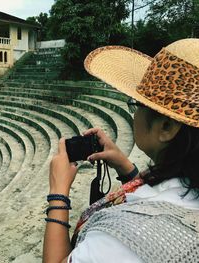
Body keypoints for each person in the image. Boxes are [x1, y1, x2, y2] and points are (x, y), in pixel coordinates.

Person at [43, 38, 199, 263]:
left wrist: (58, 193)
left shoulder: (124, 241)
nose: (134, 114)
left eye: (136, 104)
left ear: (166, 127)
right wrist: (126, 168)